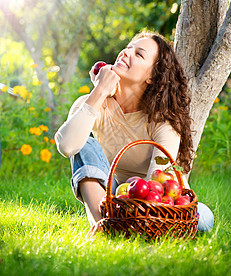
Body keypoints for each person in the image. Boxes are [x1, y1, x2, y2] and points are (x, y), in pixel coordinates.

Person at [55, 30, 214, 233]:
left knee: (202, 218)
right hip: (114, 201)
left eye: (139, 54)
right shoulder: (94, 104)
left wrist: (137, 213)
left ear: (152, 76)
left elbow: (156, 185)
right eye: (128, 48)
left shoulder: (163, 121)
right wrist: (100, 91)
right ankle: (104, 227)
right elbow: (67, 146)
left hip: (158, 204)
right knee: (84, 143)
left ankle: (123, 227)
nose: (126, 53)